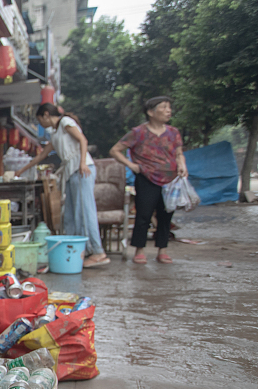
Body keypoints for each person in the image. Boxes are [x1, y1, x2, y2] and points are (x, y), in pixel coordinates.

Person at [16, 103, 109, 267]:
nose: (41, 125)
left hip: (81, 170)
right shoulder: (55, 132)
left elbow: (82, 140)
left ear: (45, 115)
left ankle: (98, 252)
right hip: (71, 172)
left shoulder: (66, 122)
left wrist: (82, 164)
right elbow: (42, 156)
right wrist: (21, 170)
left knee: (84, 212)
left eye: (39, 120)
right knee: (71, 214)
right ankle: (76, 251)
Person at [108, 96, 187, 264]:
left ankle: (162, 250)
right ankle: (139, 250)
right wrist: (132, 165)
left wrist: (182, 165)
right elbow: (115, 150)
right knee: (143, 215)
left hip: (170, 180)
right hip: (146, 178)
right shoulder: (138, 132)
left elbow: (179, 153)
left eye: (169, 107)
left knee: (166, 215)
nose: (168, 111)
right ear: (151, 112)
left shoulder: (173, 132)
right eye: (164, 107)